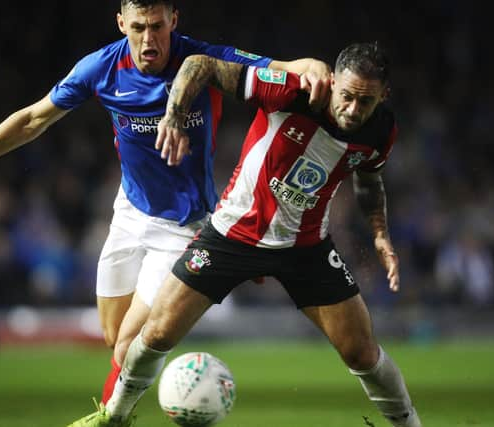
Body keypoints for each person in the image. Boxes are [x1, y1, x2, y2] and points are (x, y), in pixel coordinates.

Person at [0, 0, 331, 405]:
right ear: (120, 23)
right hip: (129, 213)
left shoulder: (202, 60)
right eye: (138, 27)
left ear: (173, 20)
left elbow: (279, 68)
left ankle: (113, 415)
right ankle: (147, 379)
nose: (149, 38)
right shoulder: (102, 68)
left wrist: (309, 66)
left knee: (132, 341)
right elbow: (33, 119)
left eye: (157, 26)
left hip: (184, 226)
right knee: (115, 339)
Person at [68, 42, 423, 427]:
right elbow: (200, 64)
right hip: (231, 236)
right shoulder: (292, 90)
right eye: (348, 96)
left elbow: (369, 180)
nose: (353, 110)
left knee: (361, 353)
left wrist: (380, 233)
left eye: (365, 102)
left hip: (306, 247)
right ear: (334, 81)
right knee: (155, 334)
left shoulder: (381, 130)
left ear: (383, 96)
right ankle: (113, 417)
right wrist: (173, 115)